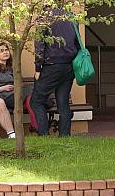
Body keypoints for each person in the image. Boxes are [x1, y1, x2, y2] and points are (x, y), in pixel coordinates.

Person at [31, 9, 77, 137]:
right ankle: (65, 135)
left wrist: (38, 68)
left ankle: (44, 135)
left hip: (51, 65)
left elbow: (39, 44)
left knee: (36, 101)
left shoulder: (45, 16)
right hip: (69, 65)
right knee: (63, 102)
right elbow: (76, 41)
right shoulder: (70, 15)